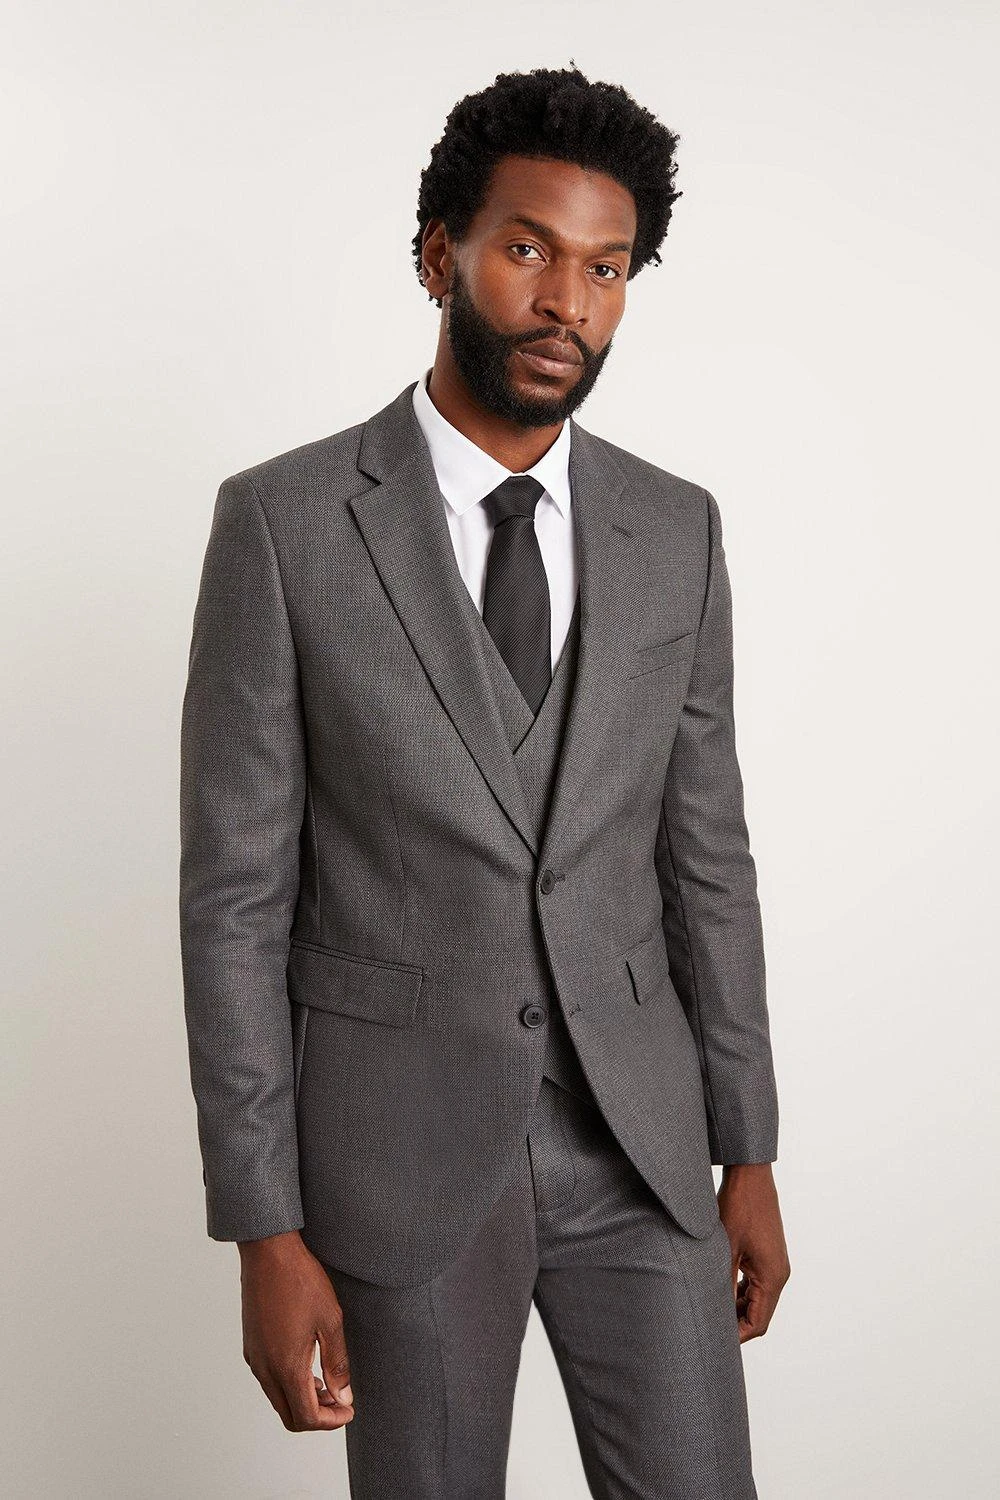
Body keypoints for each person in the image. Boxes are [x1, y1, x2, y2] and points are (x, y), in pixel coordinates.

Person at [179, 64, 790, 1500]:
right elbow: (235, 904)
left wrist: (749, 1148)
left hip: (640, 1150)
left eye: (606, 268)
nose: (567, 301)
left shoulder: (677, 530)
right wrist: (262, 1229)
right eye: (528, 249)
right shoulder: (283, 526)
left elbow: (707, 858)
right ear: (438, 254)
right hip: (399, 1161)